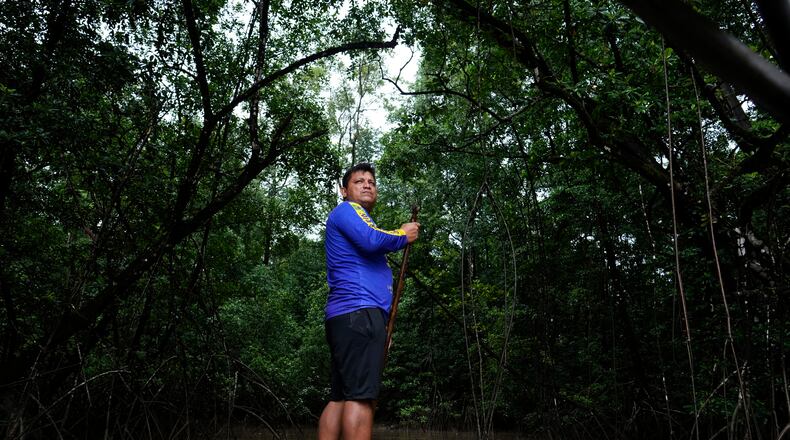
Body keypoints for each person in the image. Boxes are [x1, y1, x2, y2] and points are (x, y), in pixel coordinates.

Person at [318, 163, 420, 440]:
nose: (367, 185)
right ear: (344, 190)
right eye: (359, 181)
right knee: (361, 398)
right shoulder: (348, 211)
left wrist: (382, 327)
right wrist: (403, 234)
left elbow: (370, 249)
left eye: (371, 182)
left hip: (351, 318)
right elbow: (372, 241)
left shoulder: (359, 219)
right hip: (358, 312)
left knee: (340, 397)